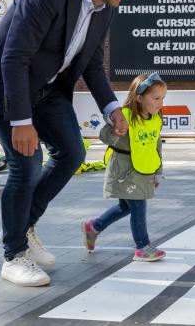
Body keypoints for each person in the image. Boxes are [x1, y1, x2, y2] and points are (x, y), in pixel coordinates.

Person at [0, 0, 141, 287]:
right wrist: (21, 121)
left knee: (73, 153)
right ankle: (13, 256)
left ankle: (21, 227)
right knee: (26, 165)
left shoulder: (105, 9)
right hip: (3, 80)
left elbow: (93, 65)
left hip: (47, 86)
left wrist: (113, 108)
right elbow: (13, 57)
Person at [82, 72, 168, 262]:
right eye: (155, 98)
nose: (160, 103)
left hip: (144, 170)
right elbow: (104, 136)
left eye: (162, 98)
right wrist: (115, 128)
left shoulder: (155, 118)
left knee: (125, 207)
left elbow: (156, 145)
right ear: (138, 98)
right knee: (137, 204)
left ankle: (94, 227)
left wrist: (158, 172)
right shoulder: (124, 115)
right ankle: (142, 246)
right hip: (125, 170)